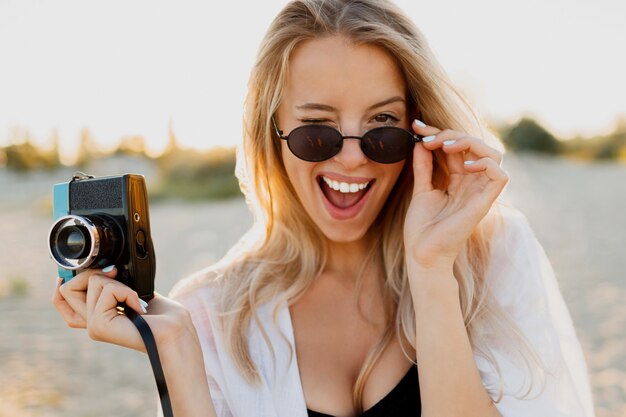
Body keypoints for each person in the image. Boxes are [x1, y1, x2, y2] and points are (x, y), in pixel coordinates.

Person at [52, 1, 595, 416]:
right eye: (317, 132)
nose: (354, 160)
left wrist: (432, 273)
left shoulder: (494, 253)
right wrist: (180, 359)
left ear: (419, 131)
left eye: (383, 129)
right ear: (273, 135)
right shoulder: (206, 315)